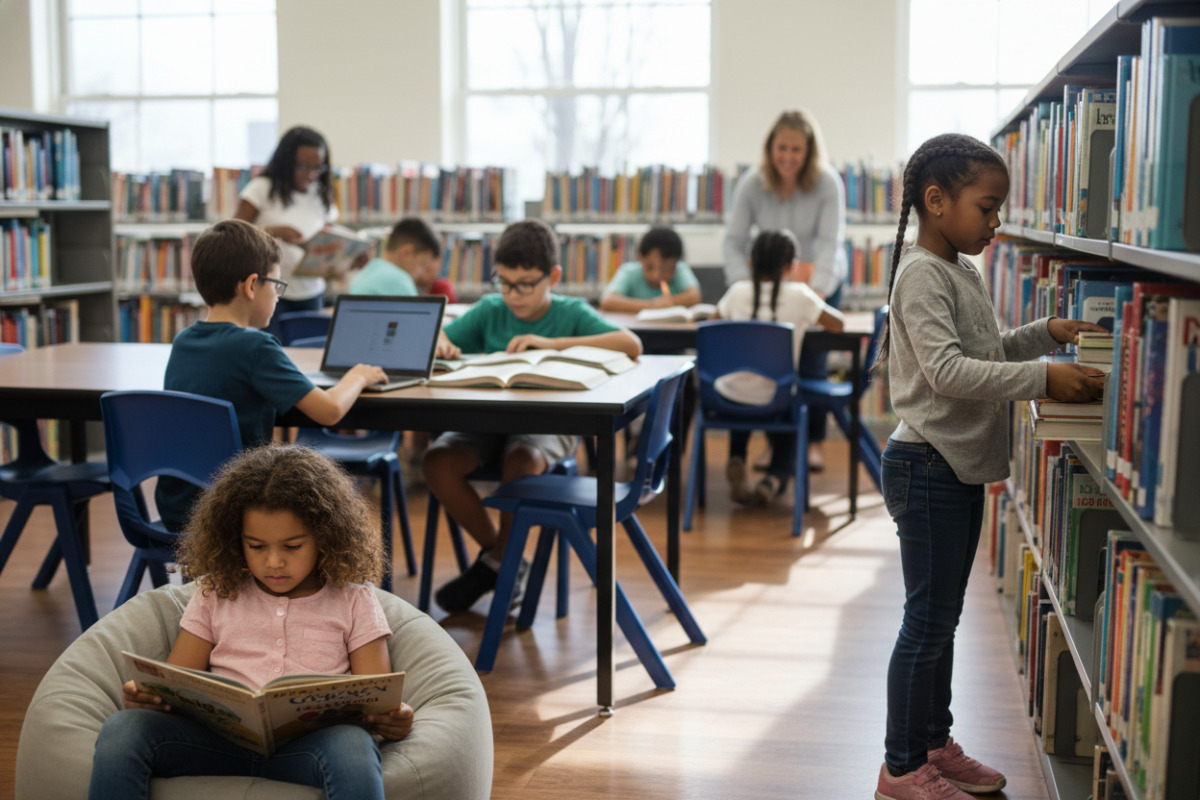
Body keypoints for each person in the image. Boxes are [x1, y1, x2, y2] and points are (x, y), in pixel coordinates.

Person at [873, 133, 1106, 800]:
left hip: (954, 466)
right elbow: (948, 373)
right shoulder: (920, 274)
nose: (997, 221)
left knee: (941, 619)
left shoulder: (960, 270)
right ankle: (899, 767)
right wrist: (1042, 379)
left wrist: (1041, 335)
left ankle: (932, 743)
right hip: (926, 466)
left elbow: (985, 349)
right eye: (988, 206)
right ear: (937, 201)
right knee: (926, 621)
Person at [88, 444, 414, 800]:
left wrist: (393, 721)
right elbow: (176, 685)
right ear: (235, 539)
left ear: (326, 537)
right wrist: (150, 698)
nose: (273, 562)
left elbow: (375, 700)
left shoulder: (354, 599)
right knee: (123, 729)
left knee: (353, 744)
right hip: (215, 744)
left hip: (308, 750)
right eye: (256, 546)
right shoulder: (217, 591)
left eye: (292, 546)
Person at [425, 219, 643, 613]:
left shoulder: (570, 312)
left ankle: (495, 567)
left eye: (525, 284)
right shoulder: (491, 309)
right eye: (504, 282)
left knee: (521, 462)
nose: (513, 294)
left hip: (547, 428)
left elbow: (630, 344)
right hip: (485, 424)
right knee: (437, 462)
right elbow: (441, 335)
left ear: (553, 276)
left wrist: (553, 344)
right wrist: (440, 339)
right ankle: (502, 560)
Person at [154, 218, 386, 533]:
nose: (278, 296)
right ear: (251, 285)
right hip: (233, 510)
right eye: (276, 285)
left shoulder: (184, 341)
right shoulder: (256, 347)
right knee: (327, 499)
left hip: (177, 510)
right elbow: (330, 411)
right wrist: (358, 376)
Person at [723, 110, 847, 472]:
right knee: (767, 362)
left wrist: (818, 292)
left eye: (797, 149)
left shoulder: (827, 184)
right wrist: (743, 289)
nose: (788, 157)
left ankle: (813, 444)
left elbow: (829, 243)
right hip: (766, 286)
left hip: (816, 283)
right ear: (770, 147)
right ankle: (775, 446)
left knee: (811, 362)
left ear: (809, 151)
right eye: (782, 148)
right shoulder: (752, 183)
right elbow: (733, 241)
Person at [713, 229, 844, 506]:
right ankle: (773, 479)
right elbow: (838, 324)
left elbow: (712, 324)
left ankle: (737, 457)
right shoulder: (800, 295)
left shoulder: (736, 292)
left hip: (726, 396)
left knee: (742, 387)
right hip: (777, 398)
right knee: (794, 405)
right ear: (791, 266)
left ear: (751, 263)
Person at [235, 126, 361, 327]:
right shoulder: (261, 189)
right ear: (286, 163)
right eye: (303, 166)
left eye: (318, 168)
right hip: (269, 293)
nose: (311, 175)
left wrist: (344, 260)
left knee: (308, 352)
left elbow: (329, 237)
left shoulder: (320, 195)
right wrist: (273, 232)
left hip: (311, 292)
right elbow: (232, 235)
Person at [599, 226, 701, 312]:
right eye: (650, 267)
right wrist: (651, 305)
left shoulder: (680, 269)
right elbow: (607, 301)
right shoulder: (629, 271)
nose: (656, 275)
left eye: (666, 270)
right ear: (640, 257)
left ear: (676, 262)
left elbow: (694, 296)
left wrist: (666, 303)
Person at [349, 216, 443, 297]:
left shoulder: (364, 273)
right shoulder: (400, 280)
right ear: (406, 253)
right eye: (422, 265)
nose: (421, 273)